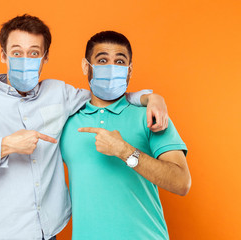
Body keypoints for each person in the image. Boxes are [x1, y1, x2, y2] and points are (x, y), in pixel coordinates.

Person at [0, 14, 168, 240]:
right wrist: (4, 146)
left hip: (49, 233)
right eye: (16, 52)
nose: (25, 59)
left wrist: (151, 97)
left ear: (45, 57)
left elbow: (106, 94)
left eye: (34, 53)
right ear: (3, 55)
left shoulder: (59, 93)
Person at [60, 31, 191, 240]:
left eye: (119, 61)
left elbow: (181, 182)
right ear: (87, 66)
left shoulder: (150, 116)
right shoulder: (66, 122)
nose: (111, 68)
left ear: (129, 70)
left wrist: (125, 151)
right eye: (102, 60)